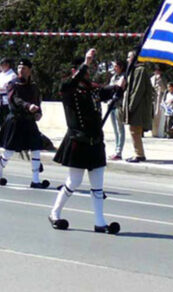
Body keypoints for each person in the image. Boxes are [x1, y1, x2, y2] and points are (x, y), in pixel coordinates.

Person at [48, 53, 122, 234]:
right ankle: (55, 213)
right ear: (76, 70)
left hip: (95, 141)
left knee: (98, 185)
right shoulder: (68, 89)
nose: (89, 72)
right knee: (74, 181)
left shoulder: (93, 89)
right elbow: (70, 84)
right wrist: (85, 63)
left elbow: (107, 91)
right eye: (85, 70)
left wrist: (119, 86)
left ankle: (100, 222)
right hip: (78, 141)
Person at [0, 58, 50, 189]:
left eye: (23, 68)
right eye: (19, 68)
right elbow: (15, 99)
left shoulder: (33, 86)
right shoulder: (13, 84)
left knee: (35, 149)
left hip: (29, 121)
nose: (20, 70)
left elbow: (37, 100)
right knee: (9, 151)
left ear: (29, 70)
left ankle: (35, 180)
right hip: (16, 121)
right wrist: (28, 106)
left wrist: (38, 112)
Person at [123, 50, 154, 163]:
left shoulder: (140, 70)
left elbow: (137, 90)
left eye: (129, 57)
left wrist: (131, 107)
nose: (127, 60)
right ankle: (138, 153)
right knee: (134, 130)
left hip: (139, 107)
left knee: (135, 130)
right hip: (136, 106)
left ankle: (139, 154)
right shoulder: (133, 70)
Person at [107, 59, 127, 161]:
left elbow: (120, 89)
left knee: (120, 129)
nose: (114, 68)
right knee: (115, 130)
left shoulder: (124, 77)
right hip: (111, 105)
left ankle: (119, 152)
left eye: (116, 66)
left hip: (119, 105)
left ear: (121, 67)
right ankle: (116, 149)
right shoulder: (113, 77)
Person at [0, 58, 17, 126]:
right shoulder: (0, 75)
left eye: (2, 65)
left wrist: (1, 88)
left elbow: (8, 86)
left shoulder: (12, 75)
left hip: (7, 100)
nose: (1, 67)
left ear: (7, 65)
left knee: (7, 118)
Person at [150, 66, 167, 137]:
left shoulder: (163, 79)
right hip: (152, 98)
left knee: (158, 115)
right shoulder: (151, 79)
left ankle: (157, 132)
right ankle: (153, 131)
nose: (157, 72)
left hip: (159, 99)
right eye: (156, 71)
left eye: (158, 71)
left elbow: (165, 89)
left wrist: (160, 82)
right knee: (152, 115)